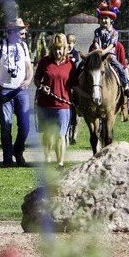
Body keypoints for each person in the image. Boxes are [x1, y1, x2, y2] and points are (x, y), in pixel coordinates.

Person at [0, 17, 34, 167]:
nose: (24, 35)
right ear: (12, 32)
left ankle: (18, 151)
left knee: (25, 125)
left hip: (21, 91)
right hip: (5, 91)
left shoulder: (24, 47)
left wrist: (29, 80)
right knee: (6, 125)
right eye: (21, 32)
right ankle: (8, 159)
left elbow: (29, 68)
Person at [34, 33, 78, 167]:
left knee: (61, 135)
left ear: (65, 48)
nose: (58, 52)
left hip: (63, 105)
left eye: (60, 49)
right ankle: (47, 159)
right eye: (55, 49)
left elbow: (75, 85)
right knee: (47, 135)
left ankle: (60, 163)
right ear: (51, 49)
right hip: (45, 105)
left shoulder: (70, 64)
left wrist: (87, 98)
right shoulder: (44, 62)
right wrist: (42, 86)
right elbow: (36, 80)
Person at [90, 0, 129, 100]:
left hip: (109, 56)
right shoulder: (97, 31)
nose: (104, 20)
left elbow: (112, 44)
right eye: (102, 18)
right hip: (98, 55)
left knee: (120, 68)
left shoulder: (114, 32)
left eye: (106, 18)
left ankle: (126, 86)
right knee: (84, 66)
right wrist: (99, 50)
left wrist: (104, 51)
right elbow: (95, 42)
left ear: (111, 20)